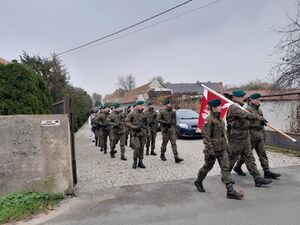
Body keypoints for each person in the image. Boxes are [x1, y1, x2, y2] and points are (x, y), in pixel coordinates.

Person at [194, 99, 244, 200]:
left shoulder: (220, 120)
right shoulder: (209, 120)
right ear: (213, 108)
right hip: (212, 150)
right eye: (219, 106)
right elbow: (206, 137)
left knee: (225, 168)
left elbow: (223, 135)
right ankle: (198, 181)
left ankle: (230, 191)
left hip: (222, 149)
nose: (221, 108)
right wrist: (211, 151)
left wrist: (227, 146)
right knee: (207, 167)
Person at [226, 90, 272, 187]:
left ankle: (257, 178)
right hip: (237, 137)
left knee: (249, 157)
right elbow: (247, 115)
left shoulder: (239, 107)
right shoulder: (234, 107)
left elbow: (247, 117)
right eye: (242, 97)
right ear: (236, 98)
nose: (243, 98)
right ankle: (225, 176)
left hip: (245, 135)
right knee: (232, 157)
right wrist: (260, 118)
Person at [233, 93, 281, 179]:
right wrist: (256, 124)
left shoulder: (260, 111)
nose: (259, 101)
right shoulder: (247, 110)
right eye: (257, 100)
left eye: (259, 99)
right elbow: (244, 124)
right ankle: (237, 167)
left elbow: (261, 124)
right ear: (252, 100)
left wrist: (262, 129)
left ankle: (267, 171)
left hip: (259, 135)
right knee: (247, 155)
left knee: (263, 154)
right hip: (251, 135)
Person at [158, 99, 184, 163]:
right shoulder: (162, 111)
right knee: (164, 143)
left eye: (171, 103)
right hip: (165, 130)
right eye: (169, 104)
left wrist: (174, 129)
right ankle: (162, 154)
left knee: (174, 143)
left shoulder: (173, 112)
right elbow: (158, 119)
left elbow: (175, 121)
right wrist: (165, 122)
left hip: (171, 129)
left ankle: (176, 157)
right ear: (166, 105)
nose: (170, 105)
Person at [125, 100, 148, 169]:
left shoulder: (144, 114)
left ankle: (140, 162)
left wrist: (147, 130)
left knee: (142, 148)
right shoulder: (132, 113)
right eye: (140, 105)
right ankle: (135, 162)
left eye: (142, 105)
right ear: (137, 106)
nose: (142, 106)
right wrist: (133, 127)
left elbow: (146, 123)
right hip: (135, 134)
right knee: (137, 147)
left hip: (143, 134)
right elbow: (126, 122)